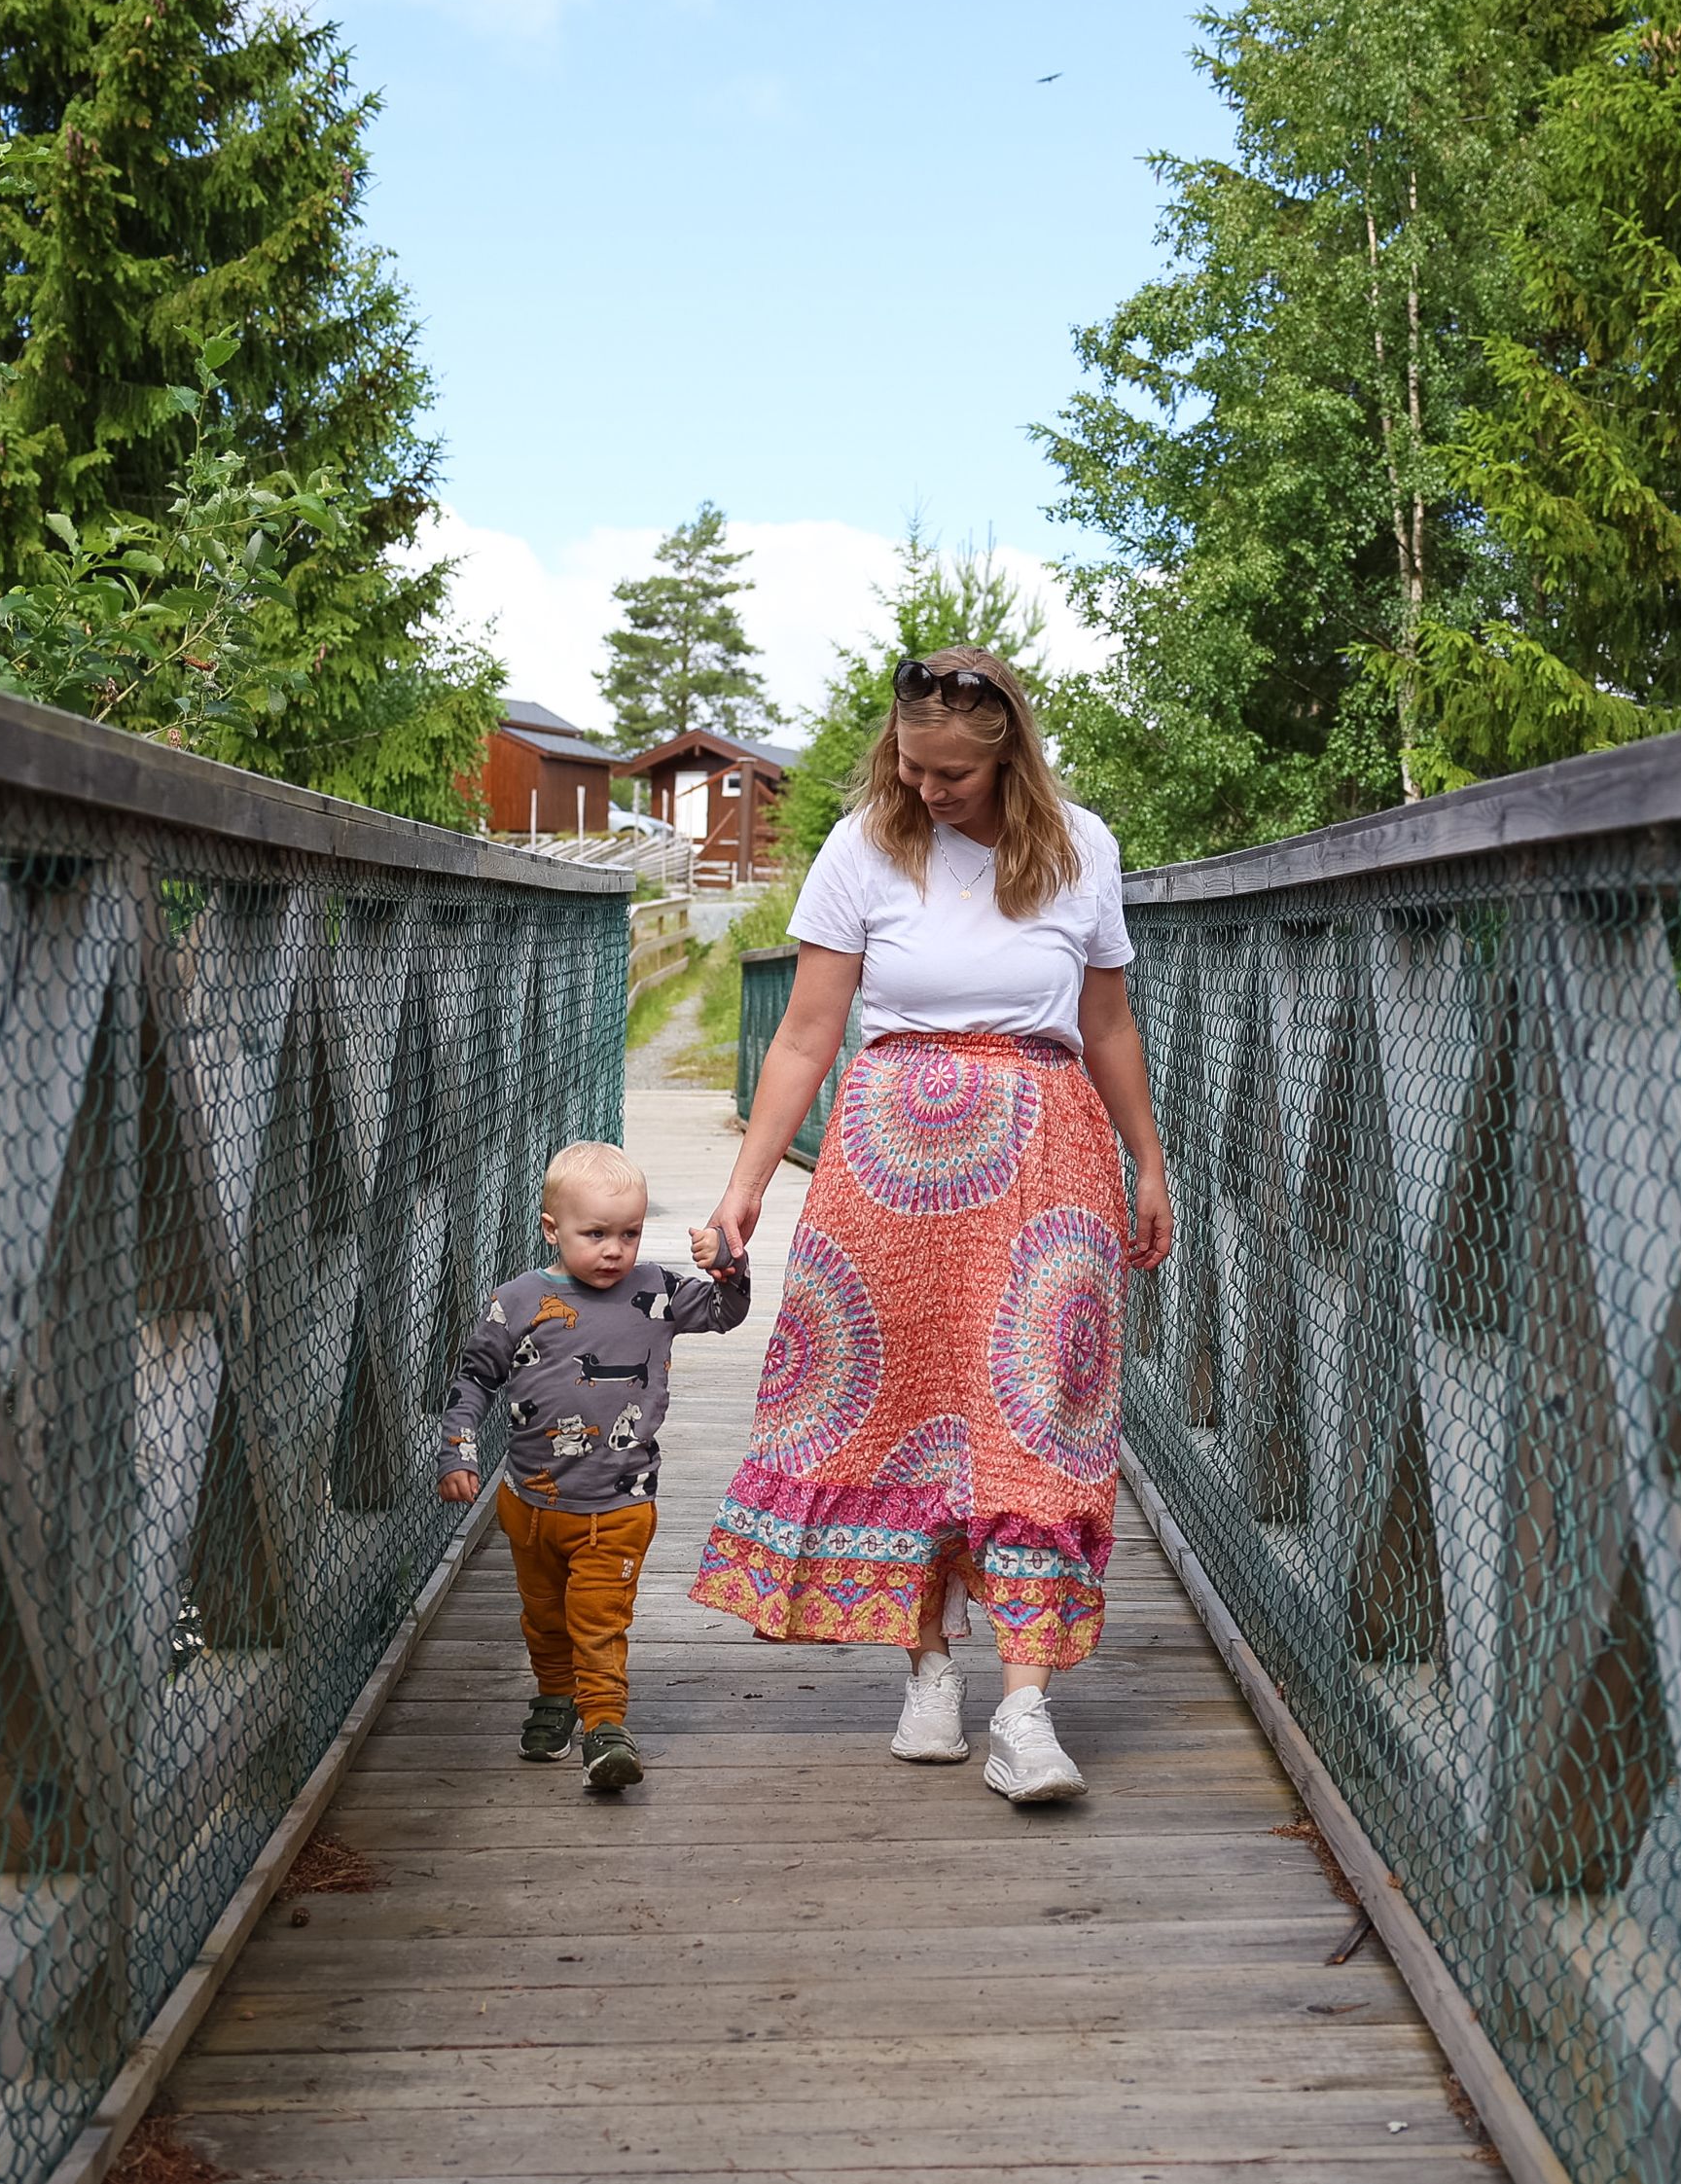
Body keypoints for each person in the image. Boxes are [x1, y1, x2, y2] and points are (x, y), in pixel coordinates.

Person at [691, 646, 1175, 1803]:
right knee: (905, 1400)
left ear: (1009, 752)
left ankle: (1025, 1707)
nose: (927, 789)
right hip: (889, 1160)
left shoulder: (1082, 848)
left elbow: (1105, 1022)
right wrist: (746, 1182)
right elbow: (807, 1032)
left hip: (1046, 1151)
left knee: (1037, 1408)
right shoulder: (864, 842)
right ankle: (928, 1670)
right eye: (910, 765)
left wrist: (1148, 1160)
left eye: (952, 772)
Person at [439, 1140, 751, 1791]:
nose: (614, 1249)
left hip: (619, 1505)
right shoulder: (517, 1301)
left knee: (599, 1616)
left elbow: (725, 1314)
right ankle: (555, 1696)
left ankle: (605, 1726)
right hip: (530, 1503)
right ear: (552, 1228)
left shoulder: (656, 1290)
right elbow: (473, 1379)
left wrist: (729, 1268)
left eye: (629, 1233)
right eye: (596, 1233)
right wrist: (458, 1448)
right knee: (543, 1615)